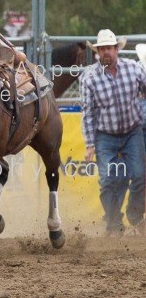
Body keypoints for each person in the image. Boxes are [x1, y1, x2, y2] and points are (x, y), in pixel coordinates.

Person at [79, 29, 146, 236]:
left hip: (132, 130)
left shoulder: (134, 69)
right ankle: (115, 222)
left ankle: (135, 216)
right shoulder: (89, 77)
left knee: (139, 175)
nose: (106, 52)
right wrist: (90, 145)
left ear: (117, 49)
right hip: (105, 135)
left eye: (109, 48)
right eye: (102, 49)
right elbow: (88, 113)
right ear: (97, 52)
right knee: (108, 180)